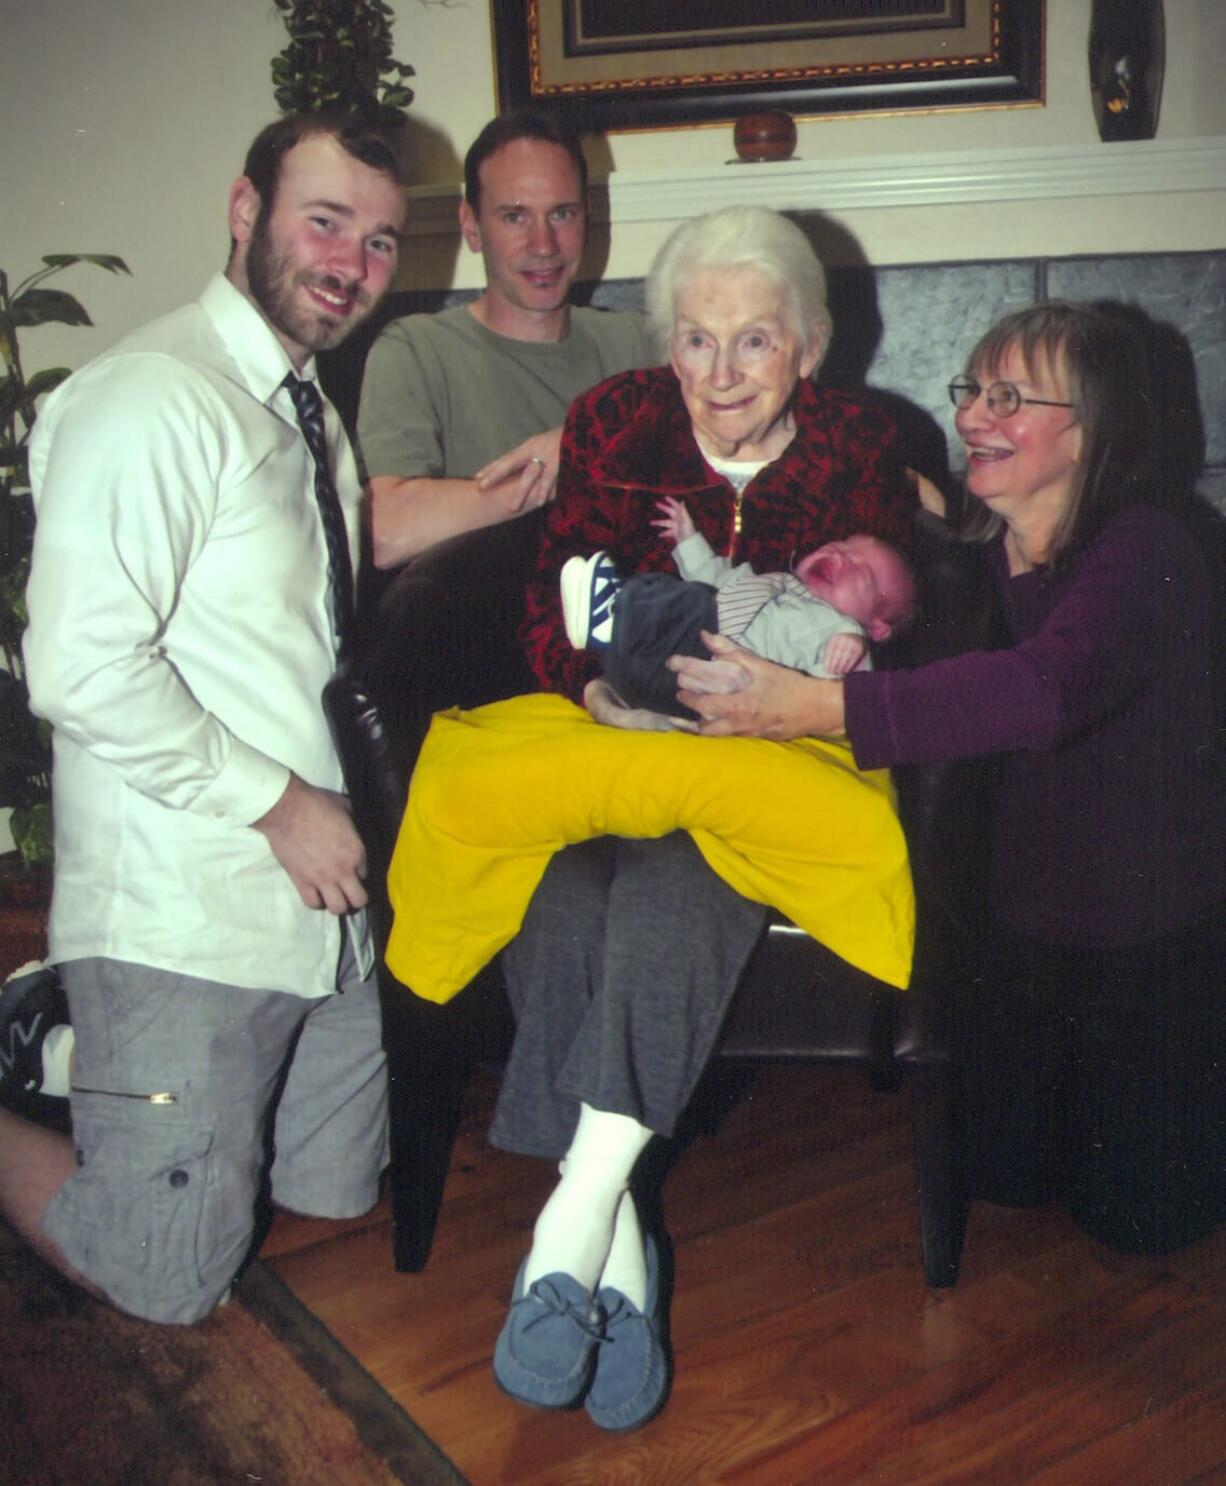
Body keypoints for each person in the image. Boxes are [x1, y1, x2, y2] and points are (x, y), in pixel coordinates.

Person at [472, 204, 917, 1431]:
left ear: (809, 348)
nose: (719, 375)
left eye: (754, 343)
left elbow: (879, 627)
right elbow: (542, 600)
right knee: (563, 893)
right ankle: (614, 1266)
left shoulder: (858, 445)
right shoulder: (611, 420)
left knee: (674, 891)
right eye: (696, 341)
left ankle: (569, 1226)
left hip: (772, 759)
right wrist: (596, 689)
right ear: (667, 343)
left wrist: (785, 704)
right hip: (616, 750)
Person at [672, 299, 1226, 1260]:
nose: (974, 415)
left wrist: (813, 709)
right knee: (1004, 1185)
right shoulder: (986, 547)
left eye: (1010, 397)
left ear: (1093, 425)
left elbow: (1041, 692)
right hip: (1020, 940)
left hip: (1148, 952)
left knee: (1145, 1230)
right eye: (973, 389)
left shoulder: (1148, 549)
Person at [0, 113, 407, 1325]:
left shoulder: (301, 409)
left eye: (381, 241)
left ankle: (82, 1061)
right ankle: (52, 1034)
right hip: (191, 907)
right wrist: (278, 806)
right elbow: (75, 667)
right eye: (323, 220)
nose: (351, 261)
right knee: (166, 1278)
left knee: (336, 1194)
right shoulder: (154, 396)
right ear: (245, 210)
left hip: (316, 902)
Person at [357, 111, 657, 568]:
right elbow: (390, 530)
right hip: (484, 626)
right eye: (515, 216)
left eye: (561, 213)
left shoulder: (639, 343)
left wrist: (584, 443)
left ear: (587, 218)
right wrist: (576, 461)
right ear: (472, 226)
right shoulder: (417, 350)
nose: (544, 245)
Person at [561, 496, 917, 721]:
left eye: (863, 572)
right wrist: (689, 540)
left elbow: (848, 700)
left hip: (711, 677)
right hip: (647, 668)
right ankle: (612, 620)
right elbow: (717, 576)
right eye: (840, 545)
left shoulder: (837, 632)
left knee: (696, 602)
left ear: (877, 626)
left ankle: (609, 618)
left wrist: (855, 646)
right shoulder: (777, 585)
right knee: (678, 587)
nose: (840, 557)